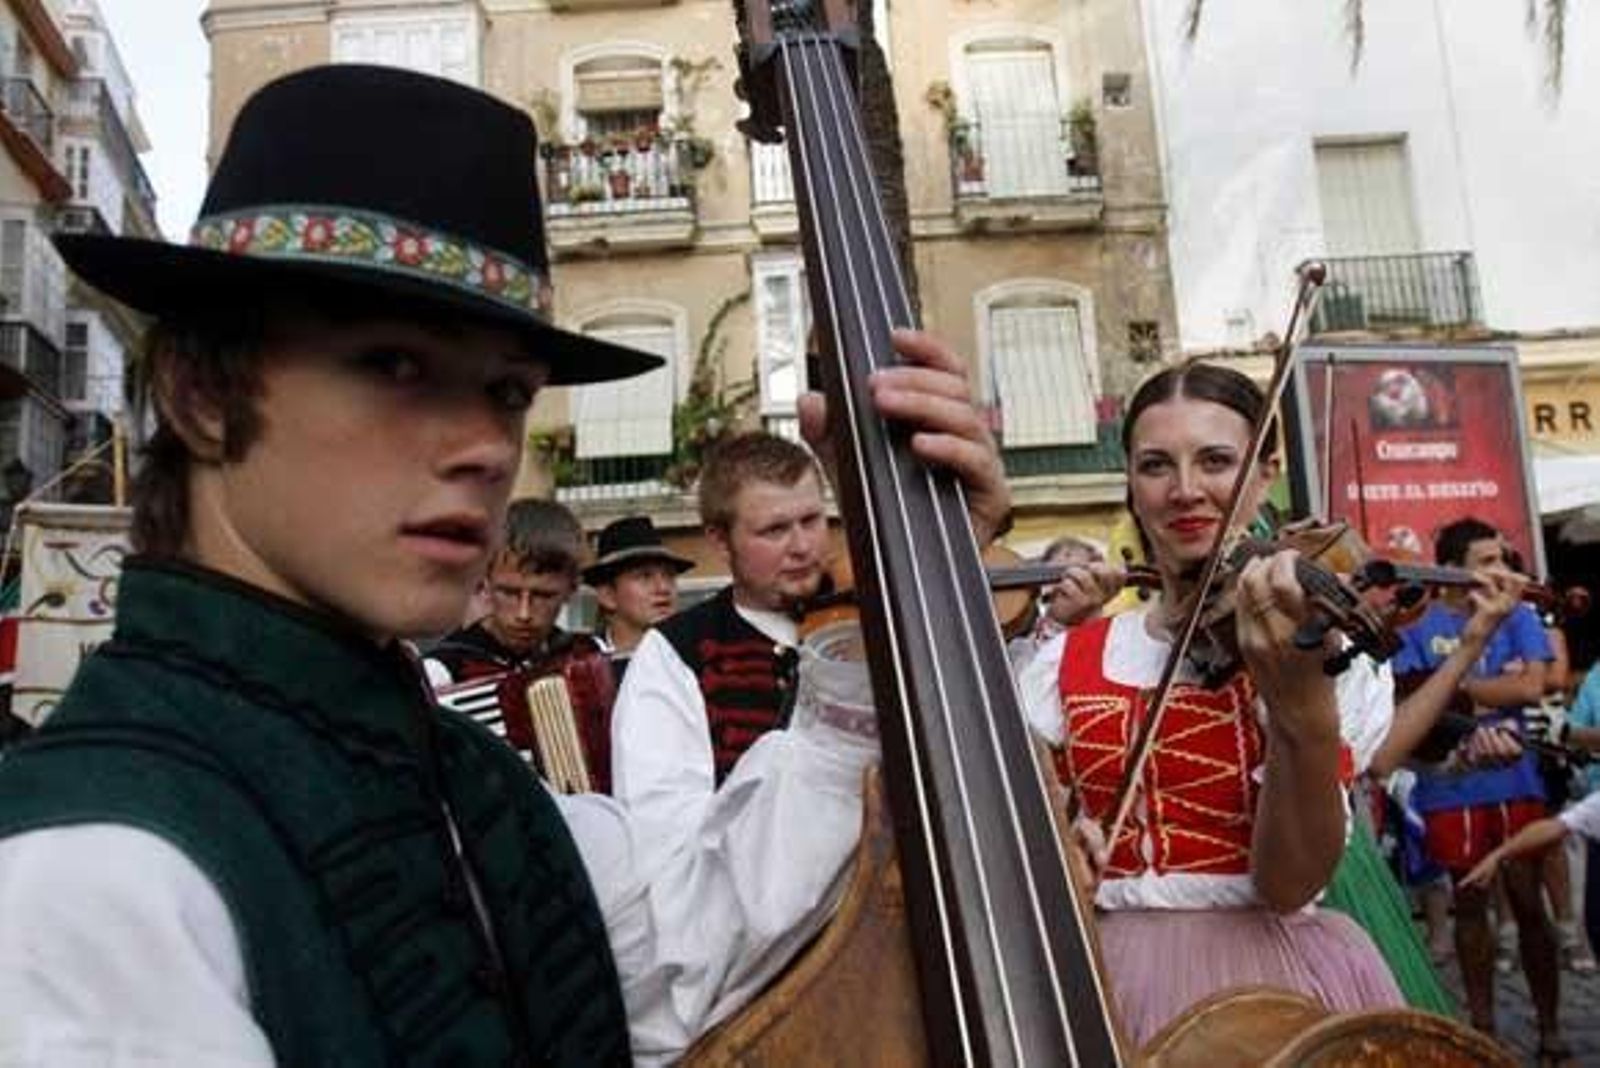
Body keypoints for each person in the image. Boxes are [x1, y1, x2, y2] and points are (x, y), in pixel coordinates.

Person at [0, 65, 1010, 1065]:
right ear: (200, 393)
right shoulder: (85, 874)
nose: (484, 445)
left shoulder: (477, 788)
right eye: (395, 365)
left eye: (509, 393)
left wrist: (895, 572)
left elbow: (690, 956)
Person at [1018, 360, 1402, 1045]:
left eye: (1218, 461)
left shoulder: (1315, 649)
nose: (1186, 490)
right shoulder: (1067, 658)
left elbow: (1289, 883)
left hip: (1272, 981)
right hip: (1108, 974)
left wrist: (1297, 709)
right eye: (1156, 466)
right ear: (1132, 486)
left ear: (1264, 473)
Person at [612, 385, 1009, 872]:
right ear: (720, 541)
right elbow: (669, 842)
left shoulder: (876, 607)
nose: (802, 546)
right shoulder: (675, 654)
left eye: (812, 520)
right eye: (774, 530)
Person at [1391, 517, 1564, 1055]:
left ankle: (1550, 1028)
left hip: (1518, 780)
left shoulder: (1519, 613)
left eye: (1502, 558)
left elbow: (1532, 684)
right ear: (1451, 571)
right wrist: (1484, 692)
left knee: (1530, 907)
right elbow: (1409, 705)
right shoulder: (1417, 624)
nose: (1501, 571)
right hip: (1449, 788)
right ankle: (1483, 1030)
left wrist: (1450, 689)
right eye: (1485, 562)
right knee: (1469, 909)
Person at [423, 497, 585, 686]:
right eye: (509, 593)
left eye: (543, 596)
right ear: (485, 582)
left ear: (572, 590)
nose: (524, 614)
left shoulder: (587, 655)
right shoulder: (442, 671)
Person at [581, 515, 694, 683]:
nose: (663, 588)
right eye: (644, 576)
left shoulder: (697, 658)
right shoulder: (581, 670)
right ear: (607, 595)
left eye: (669, 575)